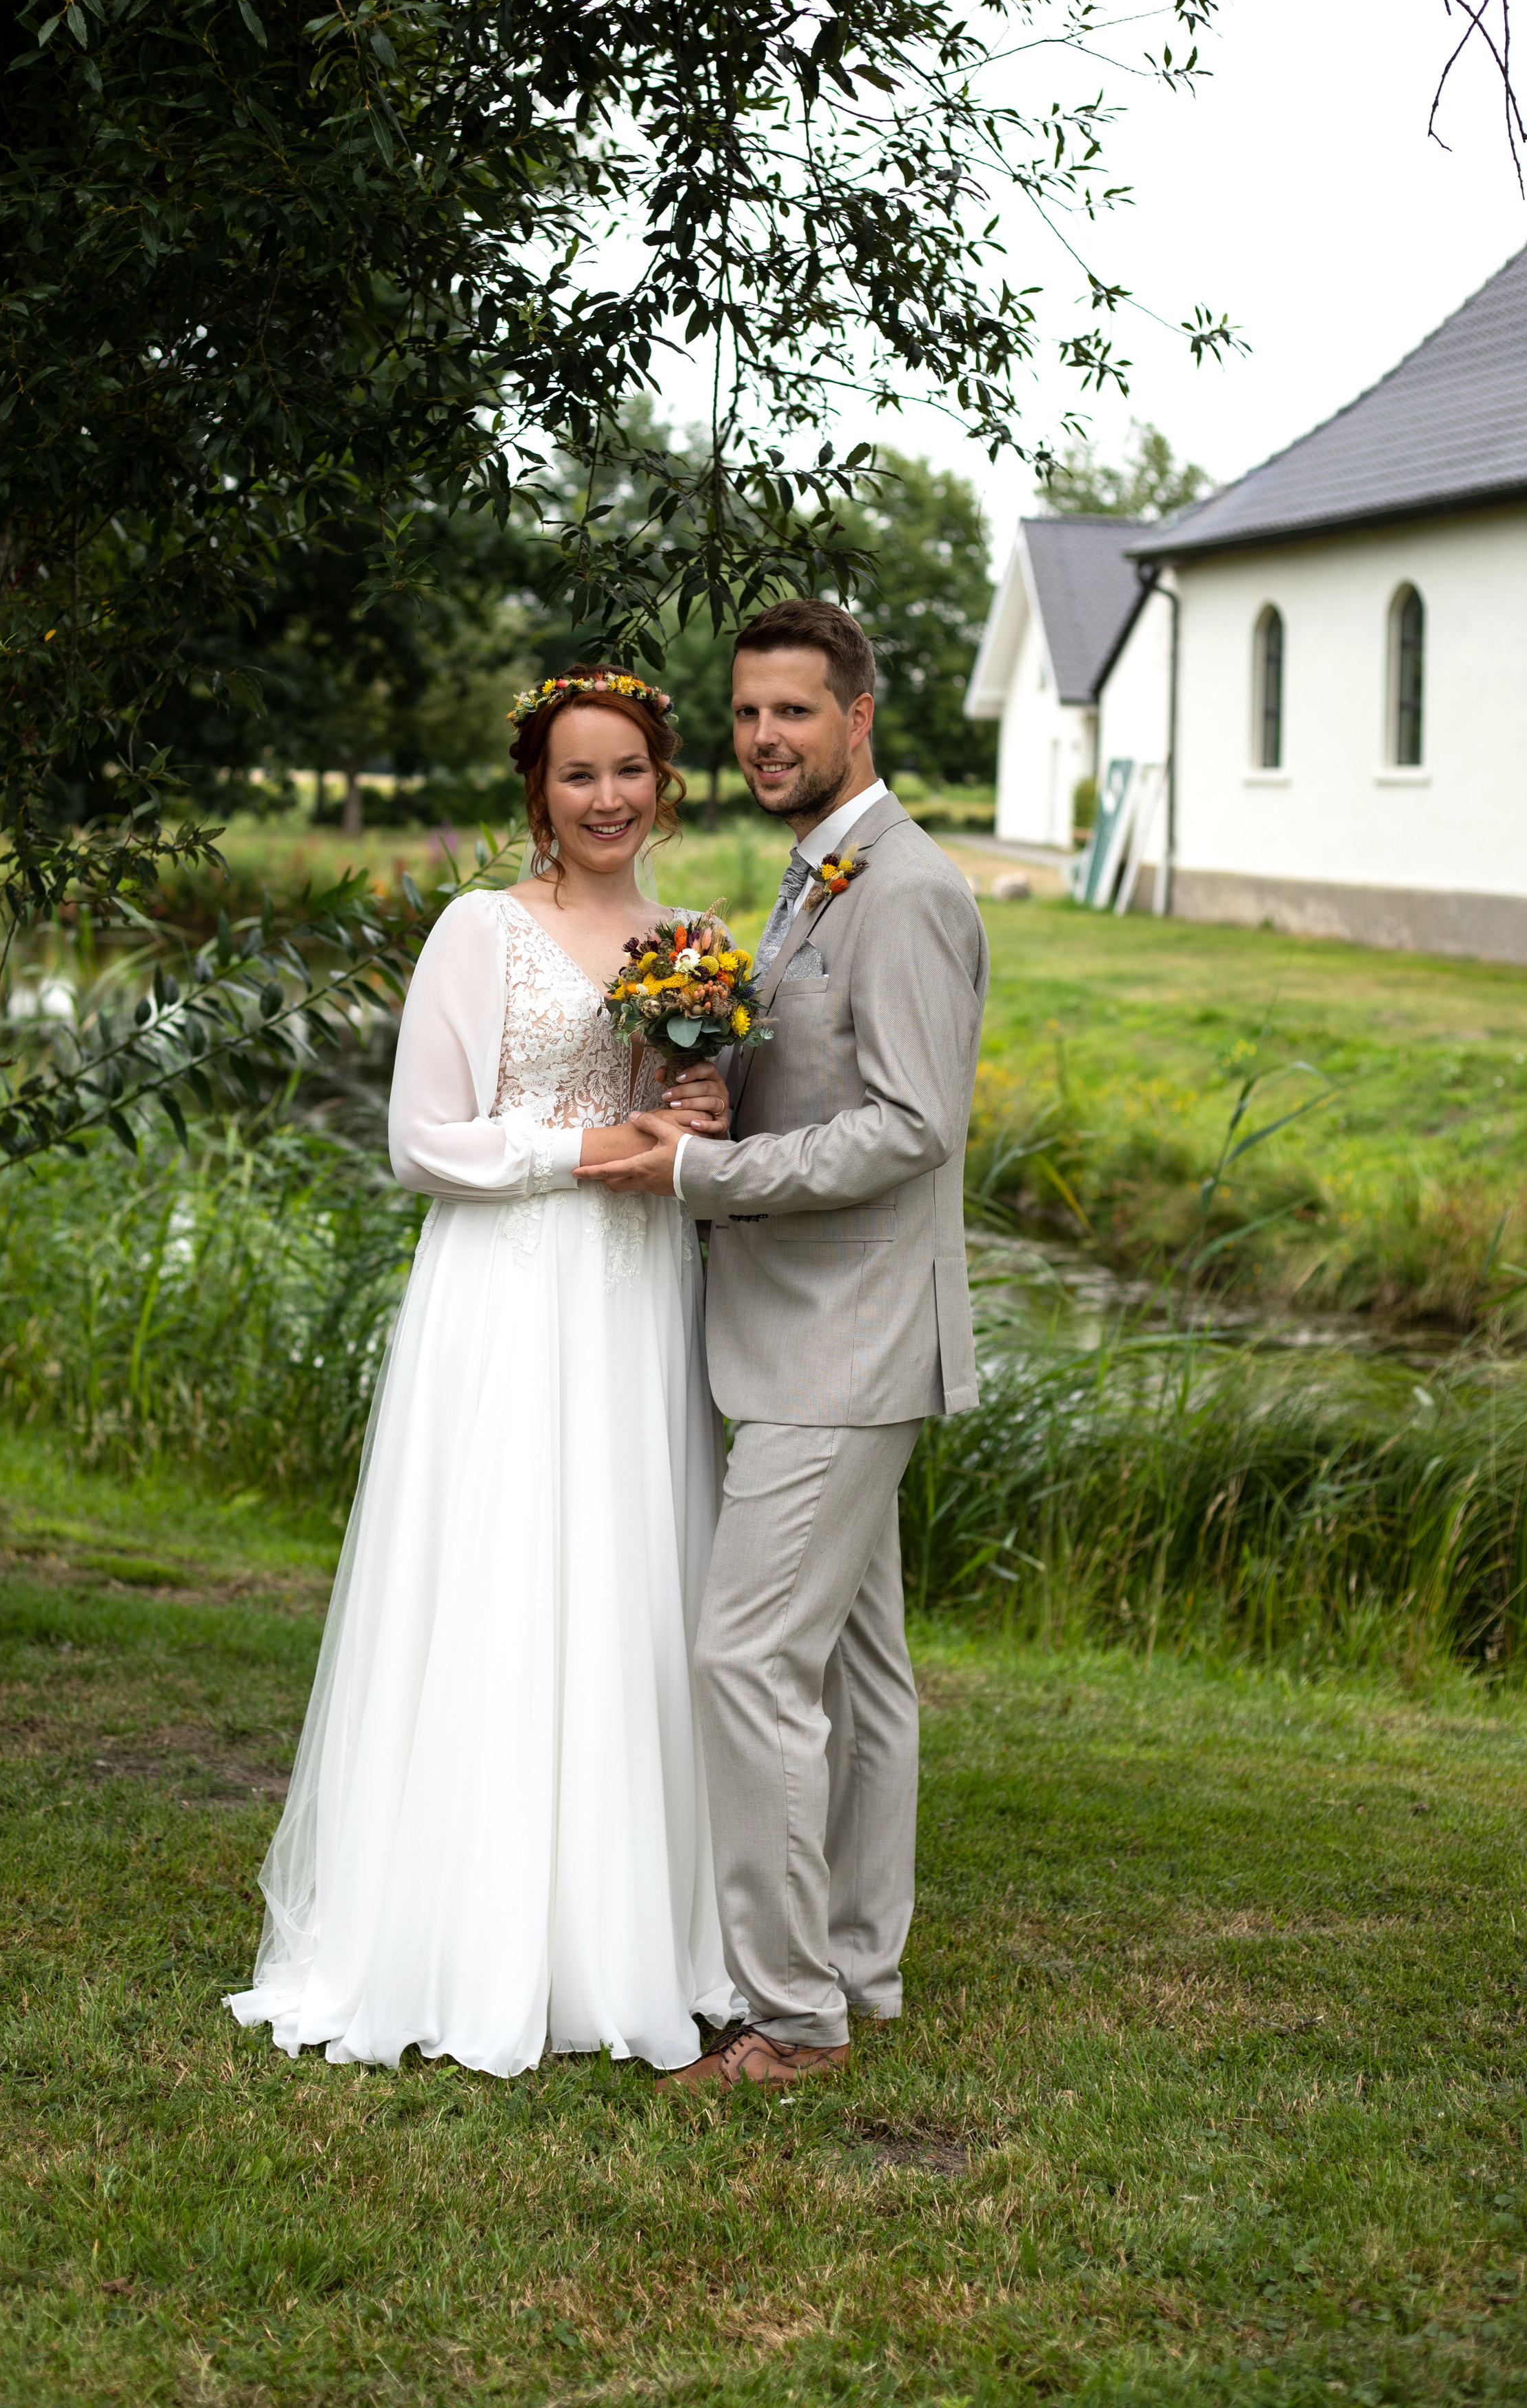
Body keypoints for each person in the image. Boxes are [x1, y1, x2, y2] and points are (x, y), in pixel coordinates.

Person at [227, 667, 741, 2076]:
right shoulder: (481, 931)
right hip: (511, 1289)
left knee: (627, 1574)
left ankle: (625, 1936)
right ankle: (469, 1930)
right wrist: (586, 1148)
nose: (605, 798)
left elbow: (684, 1124)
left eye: (628, 771)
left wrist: (699, 1105)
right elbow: (421, 1141)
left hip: (638, 1292)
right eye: (578, 774)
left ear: (663, 784)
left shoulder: (695, 945)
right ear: (537, 792)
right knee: (506, 1572)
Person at [578, 598, 989, 2090]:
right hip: (808, 1331)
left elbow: (910, 1125)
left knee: (744, 1655)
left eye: (793, 712)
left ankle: (793, 2015)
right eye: (748, 713)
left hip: (848, 1341)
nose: (764, 737)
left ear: (857, 717)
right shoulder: (818, 873)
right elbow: (822, 1084)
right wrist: (716, 1091)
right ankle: (857, 1971)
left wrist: (707, 1173)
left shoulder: (908, 890)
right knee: (859, 1677)